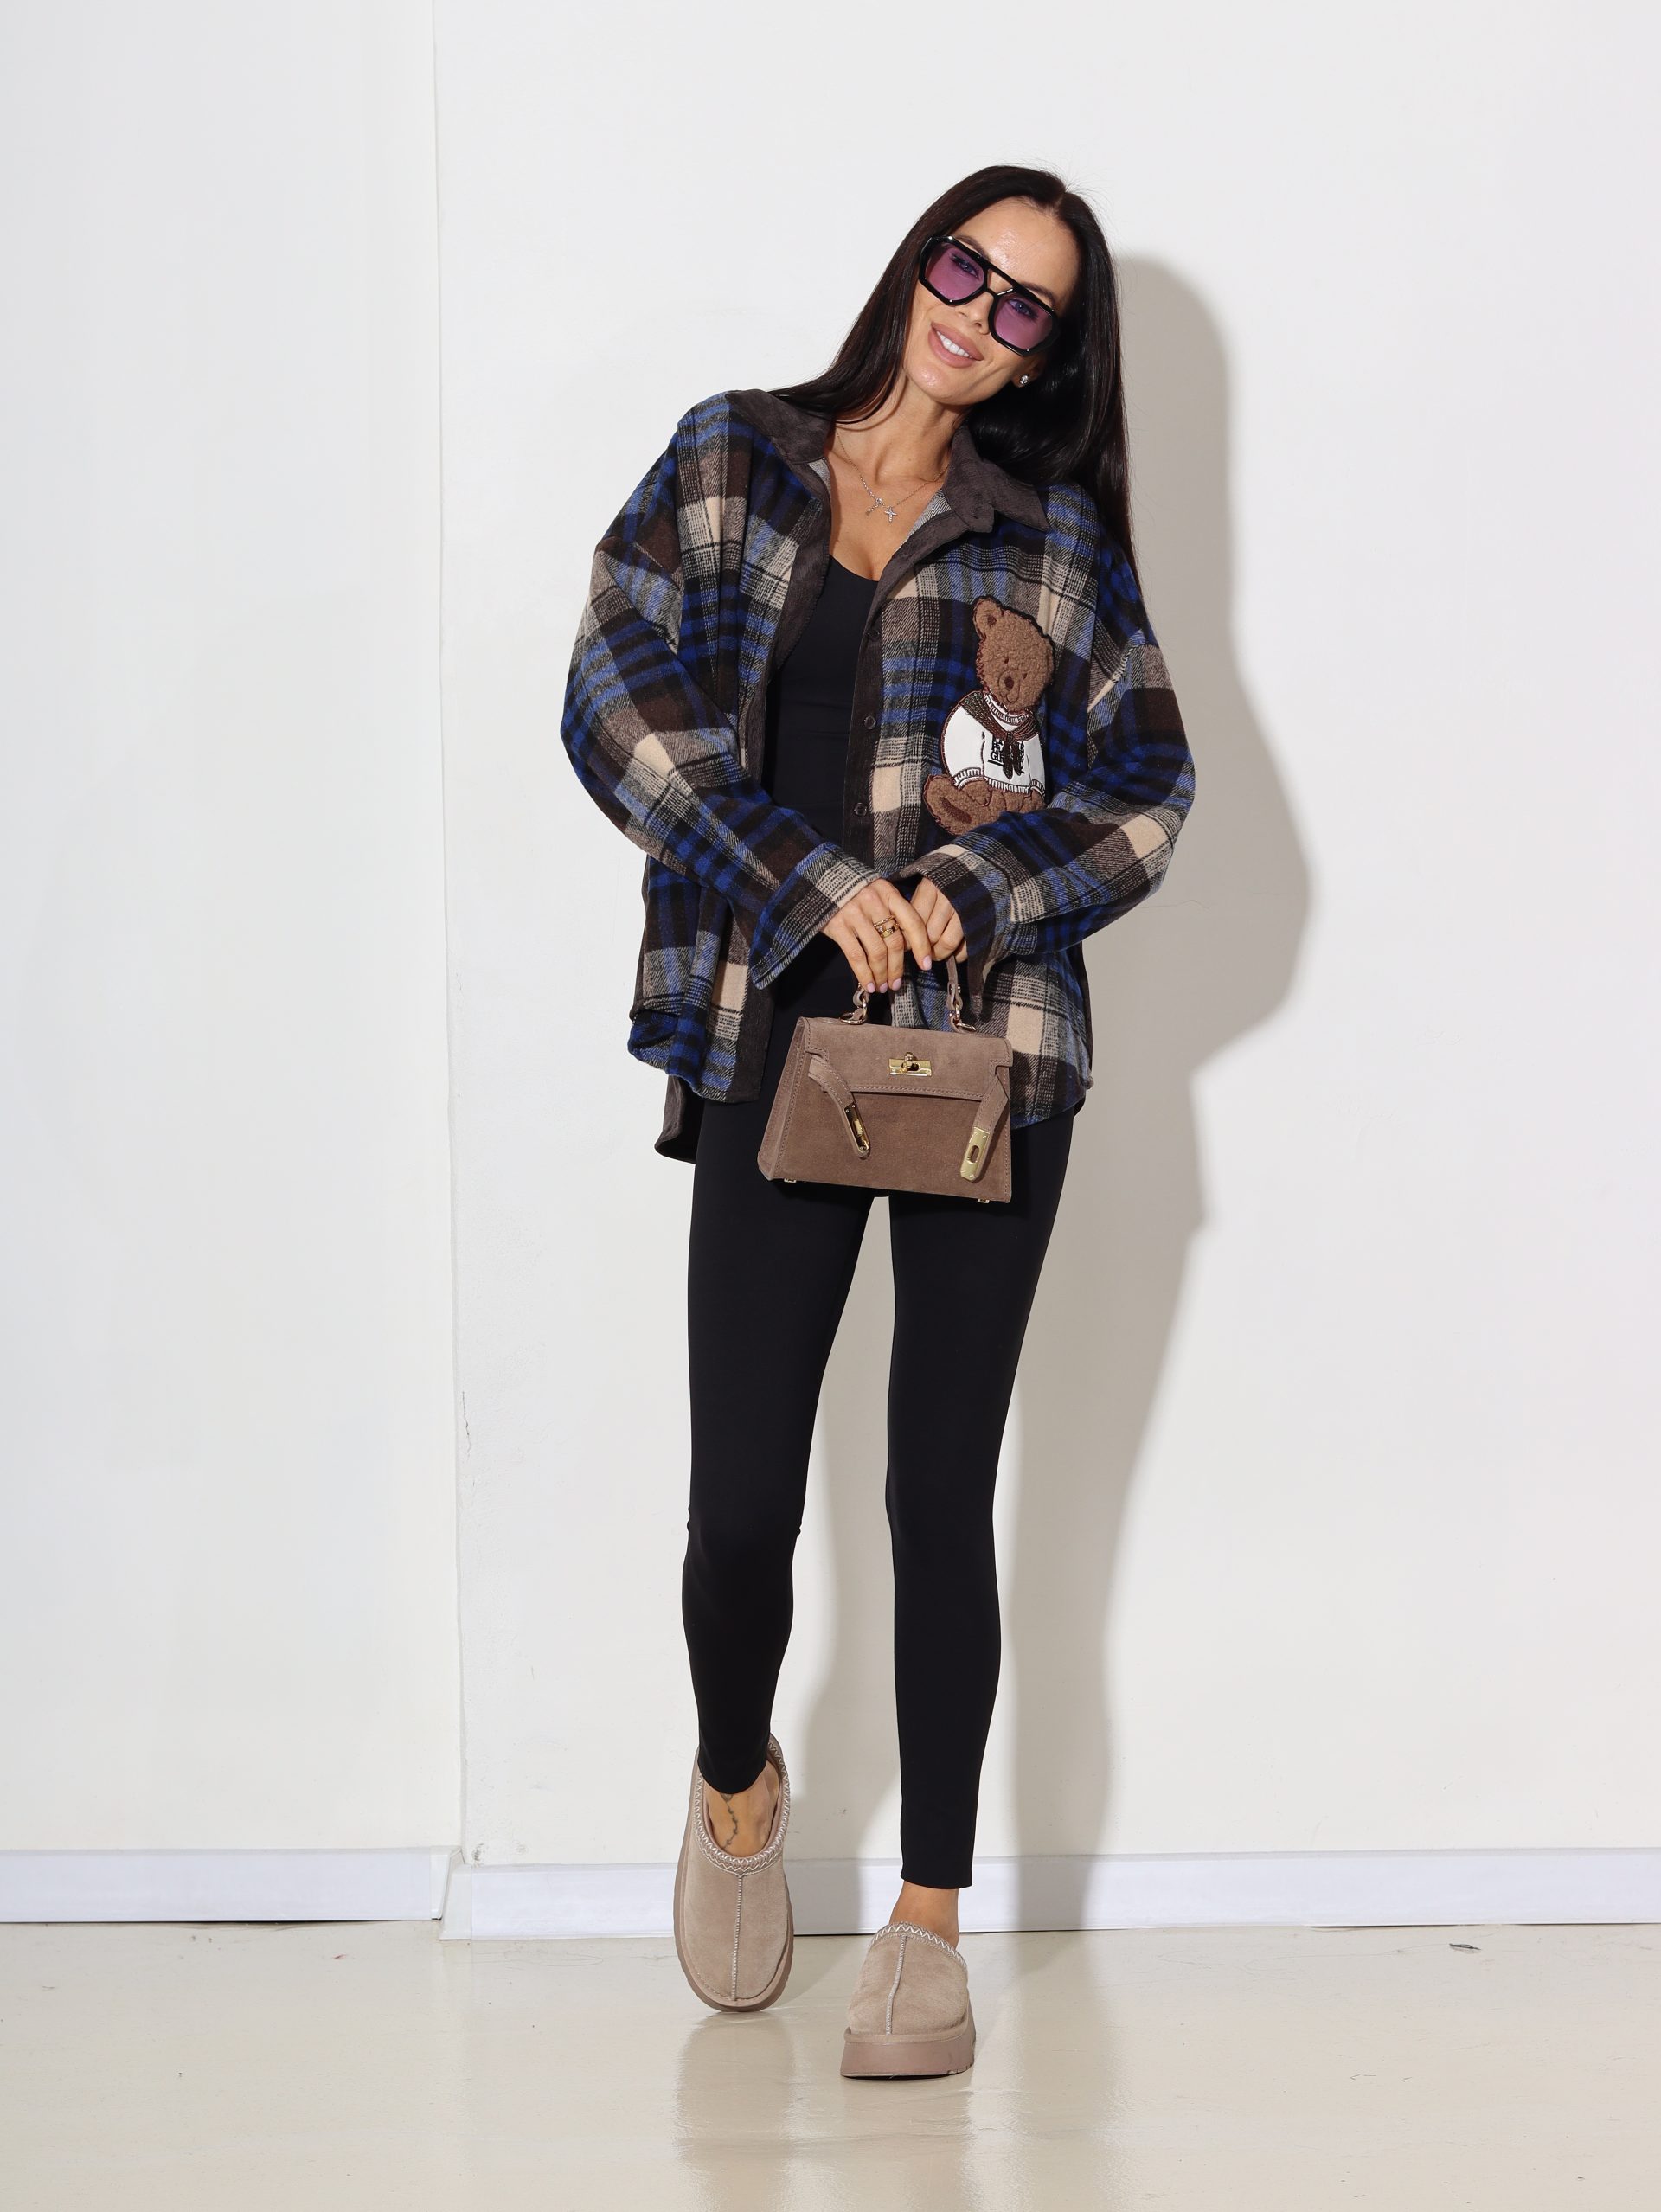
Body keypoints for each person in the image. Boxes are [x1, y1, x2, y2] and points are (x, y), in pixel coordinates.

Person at [560, 163, 1197, 2078]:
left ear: (1048, 357)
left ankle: (927, 1923)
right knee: (745, 1497)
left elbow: (1149, 791)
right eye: (965, 269)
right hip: (772, 1039)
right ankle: (735, 1779)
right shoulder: (733, 458)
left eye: (1025, 308)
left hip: (987, 1063)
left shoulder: (1056, 543)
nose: (978, 316)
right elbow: (611, 689)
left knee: (939, 1489)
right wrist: (807, 883)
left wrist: (972, 894)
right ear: (918, 260)